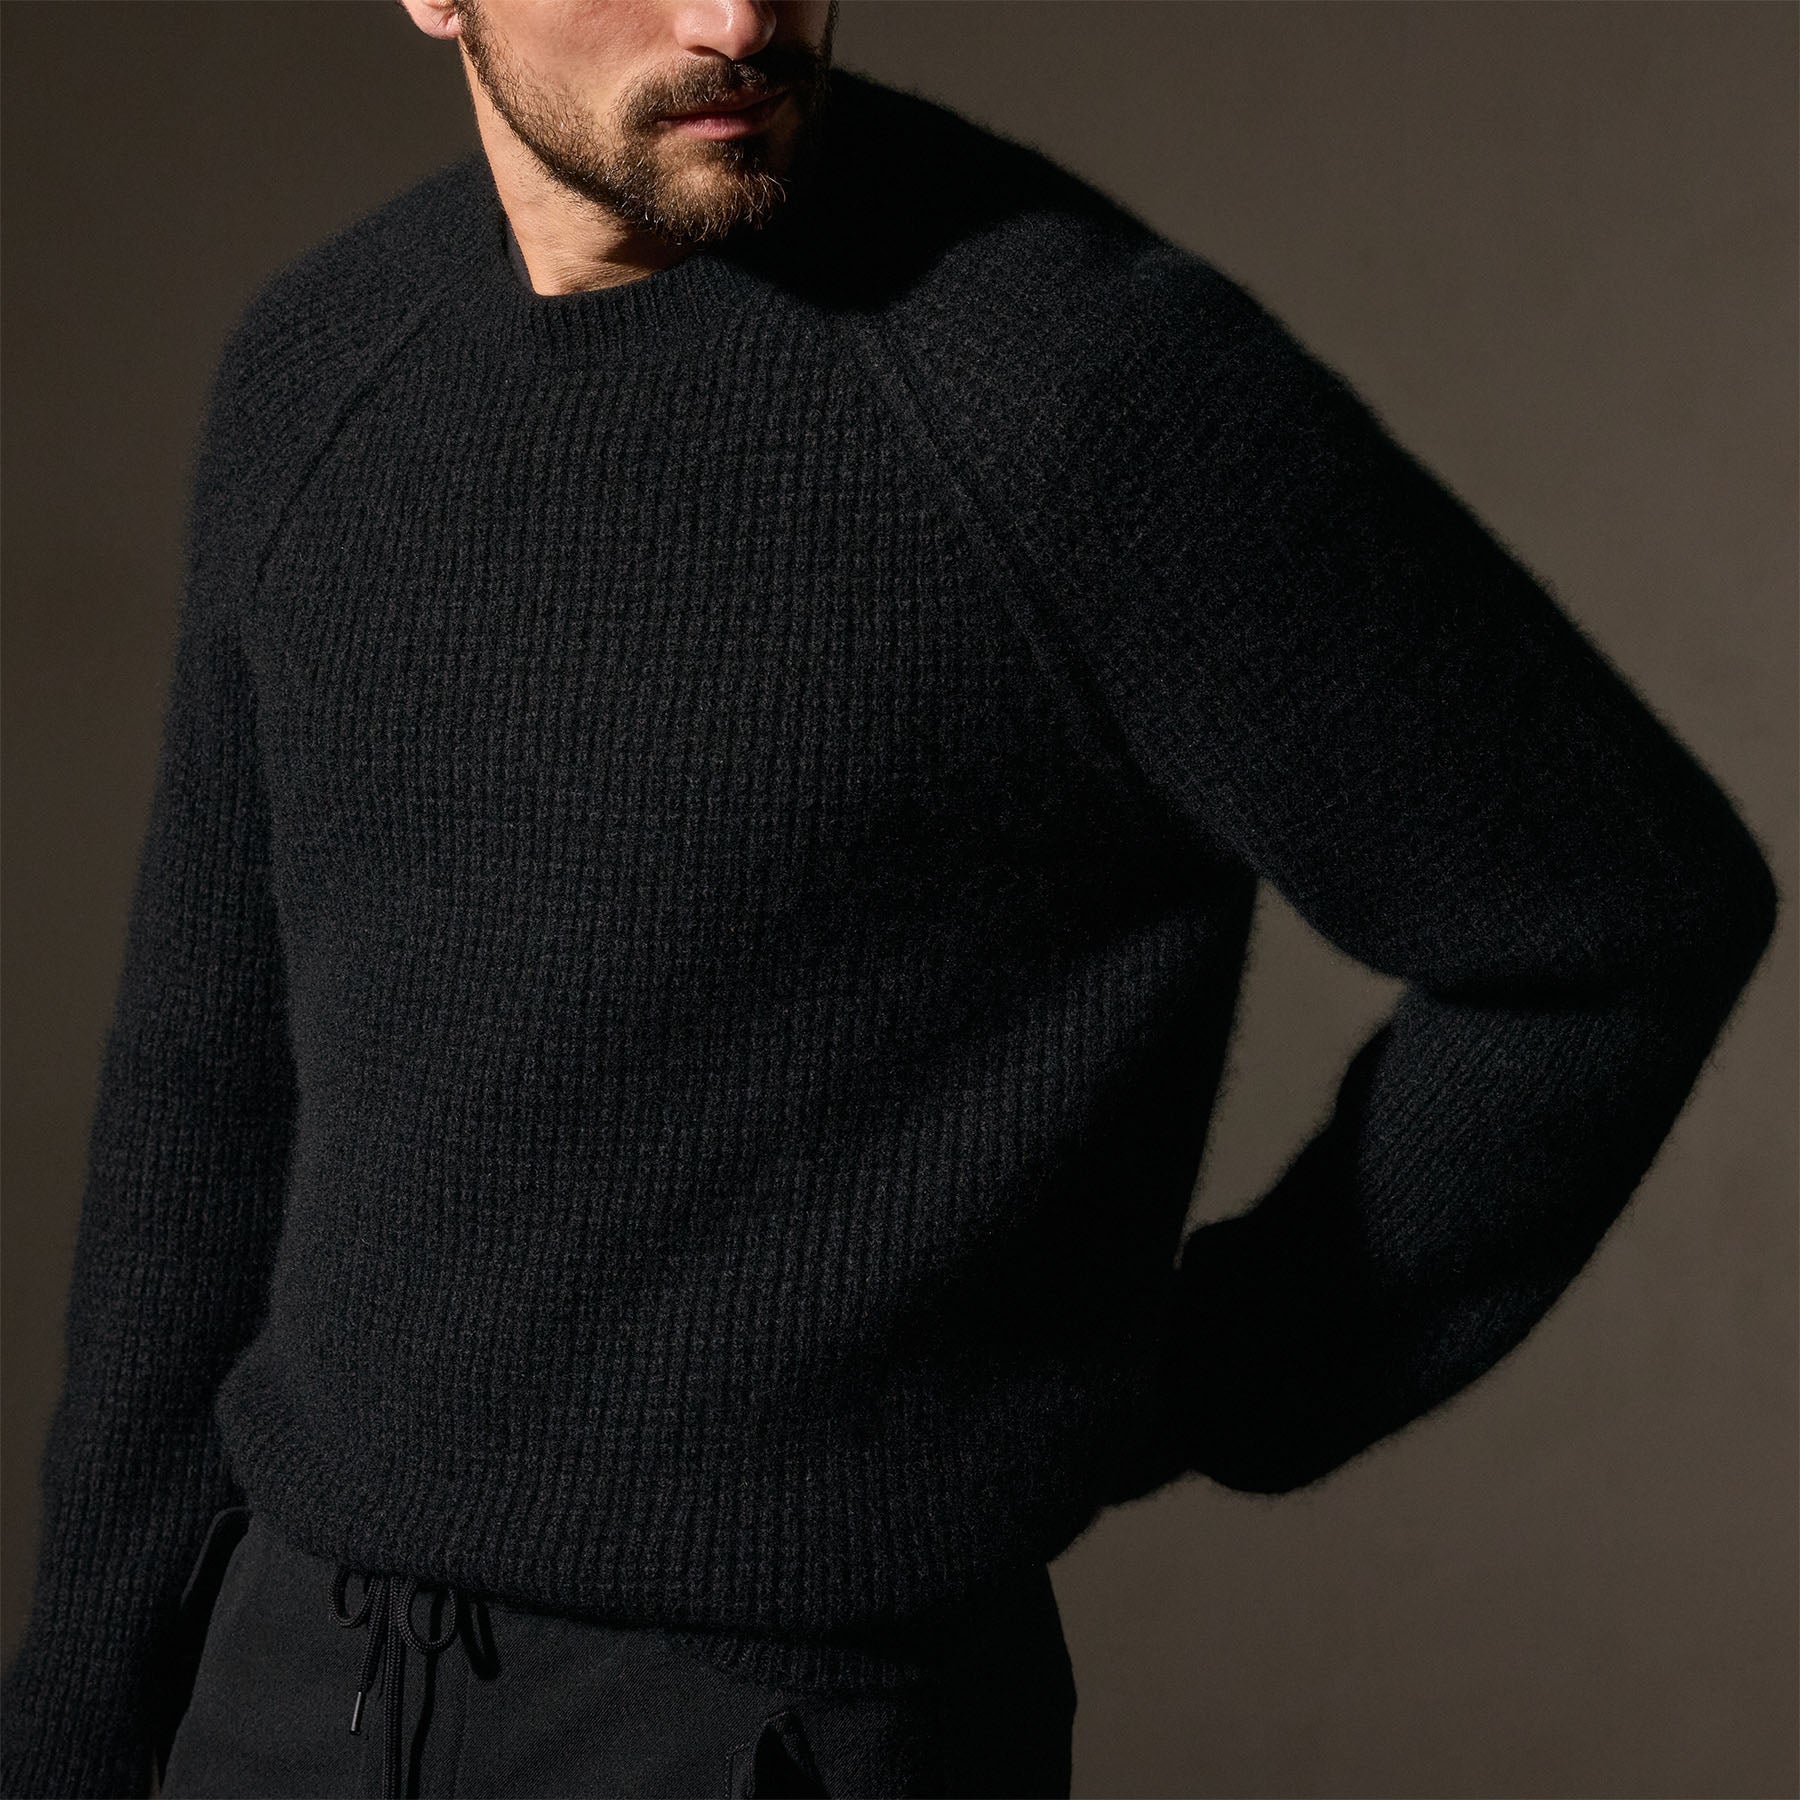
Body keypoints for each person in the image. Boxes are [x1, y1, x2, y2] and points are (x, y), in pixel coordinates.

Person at [1, 1, 1780, 1795]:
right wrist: (75, 1720)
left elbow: (1611, 924)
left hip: (775, 1730)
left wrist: (1214, 1382)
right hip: (285, 1685)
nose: (739, 15)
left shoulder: (1070, 379)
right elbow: (200, 1107)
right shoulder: (320, 364)